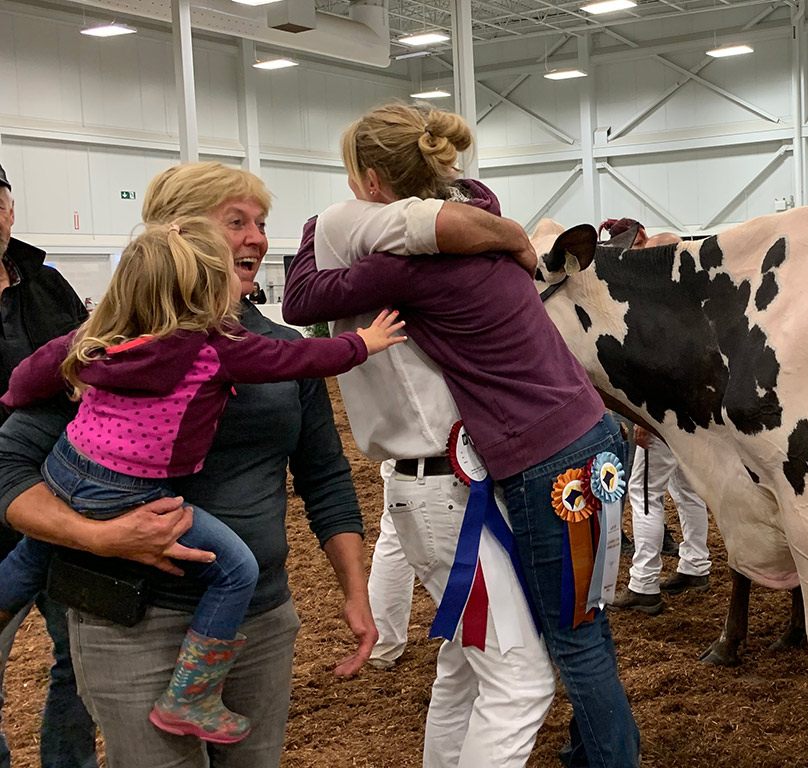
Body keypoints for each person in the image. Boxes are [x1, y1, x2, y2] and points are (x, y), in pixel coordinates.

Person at [283, 103, 639, 768]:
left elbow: (300, 298)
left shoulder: (400, 270)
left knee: (546, 658)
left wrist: (326, 221)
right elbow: (473, 200)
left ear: (367, 183)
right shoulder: (485, 217)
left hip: (526, 459)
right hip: (582, 435)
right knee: (551, 638)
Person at [0, 161, 378, 768]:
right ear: (179, 233)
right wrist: (100, 535)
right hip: (132, 618)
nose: (256, 236)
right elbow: (11, 467)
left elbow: (325, 477)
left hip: (258, 617)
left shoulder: (282, 352)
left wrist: (355, 590)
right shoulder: (112, 343)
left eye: (261, 222)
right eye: (237, 221)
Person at [312, 108, 555, 767]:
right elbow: (453, 214)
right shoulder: (361, 229)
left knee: (467, 666)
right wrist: (506, 232)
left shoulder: (353, 242)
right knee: (521, 678)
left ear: (367, 177)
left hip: (439, 484)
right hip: (449, 485)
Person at [0, 163, 97, 768]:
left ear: (10, 208)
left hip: (61, 493)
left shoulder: (44, 279)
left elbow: (87, 353)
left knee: (80, 656)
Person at [611, 425, 711, 615]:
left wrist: (644, 422)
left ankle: (644, 582)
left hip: (661, 417)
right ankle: (695, 565)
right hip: (689, 418)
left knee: (645, 491)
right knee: (687, 489)